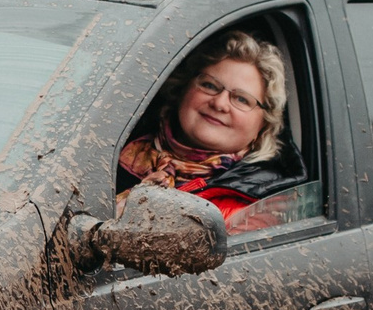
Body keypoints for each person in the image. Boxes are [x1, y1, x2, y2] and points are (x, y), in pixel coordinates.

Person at [116, 30, 305, 219]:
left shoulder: (261, 206)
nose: (220, 104)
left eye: (241, 99)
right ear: (183, 88)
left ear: (263, 126)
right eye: (210, 85)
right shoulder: (115, 138)